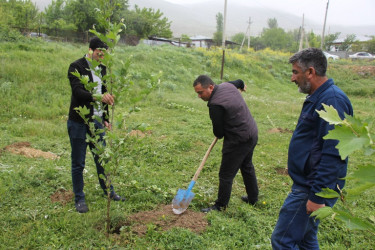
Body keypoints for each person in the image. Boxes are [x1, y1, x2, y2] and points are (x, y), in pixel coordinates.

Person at [271, 48, 353, 249]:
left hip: (311, 188)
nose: (292, 78)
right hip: (309, 184)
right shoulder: (320, 96)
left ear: (310, 72)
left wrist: (316, 197)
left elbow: (334, 154)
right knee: (307, 240)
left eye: (295, 72)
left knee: (282, 241)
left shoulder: (332, 101)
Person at [67, 37, 125, 213]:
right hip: (79, 121)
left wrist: (106, 118)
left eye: (104, 53)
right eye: (99, 52)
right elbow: (78, 92)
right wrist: (98, 97)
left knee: (102, 158)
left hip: (98, 122)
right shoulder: (76, 67)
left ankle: (109, 192)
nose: (101, 56)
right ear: (90, 50)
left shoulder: (103, 69)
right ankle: (79, 198)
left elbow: (105, 93)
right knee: (79, 162)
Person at [193, 75, 259, 212]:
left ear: (211, 87)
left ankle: (220, 206)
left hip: (238, 140)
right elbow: (239, 81)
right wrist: (241, 85)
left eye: (200, 92)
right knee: (246, 166)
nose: (199, 96)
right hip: (252, 132)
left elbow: (219, 133)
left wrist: (220, 129)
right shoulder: (227, 85)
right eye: (197, 93)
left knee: (226, 174)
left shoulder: (215, 105)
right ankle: (253, 198)